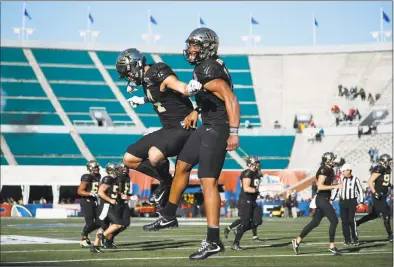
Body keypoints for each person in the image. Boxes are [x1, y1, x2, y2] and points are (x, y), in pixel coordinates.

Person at [142, 27, 240, 260]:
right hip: (206, 125)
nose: (190, 50)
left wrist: (234, 133)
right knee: (182, 166)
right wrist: (196, 111)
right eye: (190, 45)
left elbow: (230, 98)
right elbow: (210, 97)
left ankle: (213, 241)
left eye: (195, 46)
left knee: (208, 182)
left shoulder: (208, 68)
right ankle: (168, 215)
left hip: (218, 129)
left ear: (206, 47)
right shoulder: (203, 68)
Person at [115, 48, 202, 207]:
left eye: (129, 72)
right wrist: (143, 99)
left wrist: (189, 89)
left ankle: (167, 183)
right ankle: (167, 182)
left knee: (154, 156)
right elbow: (159, 94)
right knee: (129, 159)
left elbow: (175, 85)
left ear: (138, 64)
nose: (129, 77)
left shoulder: (157, 72)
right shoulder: (146, 80)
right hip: (168, 129)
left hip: (183, 127)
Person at [292, 152, 344, 255]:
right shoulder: (323, 169)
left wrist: (335, 188)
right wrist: (335, 186)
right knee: (334, 221)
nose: (334, 161)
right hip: (321, 198)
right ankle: (332, 246)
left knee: (315, 222)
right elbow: (320, 186)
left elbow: (327, 185)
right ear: (327, 160)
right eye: (332, 159)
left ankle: (297, 240)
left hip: (324, 198)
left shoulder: (330, 170)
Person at [224, 156, 264, 250]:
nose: (258, 164)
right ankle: (235, 243)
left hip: (253, 201)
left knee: (258, 221)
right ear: (252, 163)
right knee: (245, 222)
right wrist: (256, 190)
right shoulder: (247, 173)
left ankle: (239, 229)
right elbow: (246, 188)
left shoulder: (256, 173)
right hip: (245, 201)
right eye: (257, 162)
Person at [356, 154, 393, 242]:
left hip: (383, 194)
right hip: (378, 194)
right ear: (384, 161)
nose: (390, 162)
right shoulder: (379, 168)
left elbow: (384, 180)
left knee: (374, 215)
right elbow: (370, 181)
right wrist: (374, 192)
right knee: (386, 213)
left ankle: (356, 223)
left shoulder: (387, 168)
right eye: (389, 160)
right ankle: (391, 235)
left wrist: (390, 185)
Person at [91, 163, 125, 253]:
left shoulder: (115, 179)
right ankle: (103, 236)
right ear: (111, 170)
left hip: (110, 205)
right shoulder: (108, 178)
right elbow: (100, 192)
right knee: (119, 223)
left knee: (104, 225)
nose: (119, 170)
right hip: (106, 205)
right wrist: (110, 200)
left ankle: (95, 246)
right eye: (116, 169)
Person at [331, 163, 364, 246]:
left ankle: (355, 239)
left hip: (352, 201)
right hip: (342, 202)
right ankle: (347, 239)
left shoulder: (355, 179)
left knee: (351, 220)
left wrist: (361, 202)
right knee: (344, 221)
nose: (342, 172)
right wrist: (332, 199)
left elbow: (360, 190)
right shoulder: (341, 179)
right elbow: (337, 189)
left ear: (349, 170)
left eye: (344, 171)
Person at [77, 160, 101, 248]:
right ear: (90, 168)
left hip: (95, 201)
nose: (97, 169)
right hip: (86, 201)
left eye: (97, 167)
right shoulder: (87, 177)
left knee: (100, 222)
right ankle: (84, 237)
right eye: (95, 167)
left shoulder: (98, 176)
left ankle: (86, 233)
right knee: (90, 223)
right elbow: (80, 191)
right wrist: (90, 193)